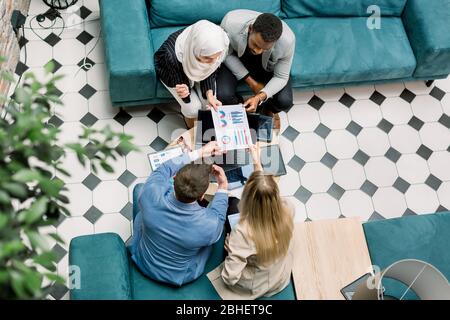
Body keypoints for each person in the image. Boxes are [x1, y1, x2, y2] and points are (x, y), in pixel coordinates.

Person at [129, 141, 230, 286]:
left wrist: (199, 152)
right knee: (214, 238)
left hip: (143, 262)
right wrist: (223, 186)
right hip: (179, 276)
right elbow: (219, 217)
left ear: (174, 178)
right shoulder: (209, 225)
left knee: (140, 192)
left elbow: (164, 168)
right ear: (202, 196)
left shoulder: (150, 192)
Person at [207, 145, 295, 299]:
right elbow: (264, 189)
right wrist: (256, 162)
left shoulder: (242, 233)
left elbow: (229, 277)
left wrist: (230, 248)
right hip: (278, 272)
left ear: (247, 199)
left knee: (231, 204)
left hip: (256, 282)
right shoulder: (288, 207)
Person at [217, 10, 296, 130]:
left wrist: (260, 96)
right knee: (222, 95)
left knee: (285, 101)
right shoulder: (230, 23)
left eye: (264, 48)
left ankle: (268, 109)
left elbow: (281, 77)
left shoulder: (288, 41)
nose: (258, 51)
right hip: (237, 58)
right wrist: (252, 84)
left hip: (267, 68)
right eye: (256, 44)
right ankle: (239, 106)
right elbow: (227, 54)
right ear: (250, 29)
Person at [154, 20, 229, 129]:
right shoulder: (171, 56)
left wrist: (210, 96)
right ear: (195, 50)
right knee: (193, 109)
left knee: (208, 104)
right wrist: (184, 92)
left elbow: (211, 71)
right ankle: (191, 130)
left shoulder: (220, 44)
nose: (212, 62)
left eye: (215, 58)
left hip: (198, 71)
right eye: (207, 58)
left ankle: (204, 131)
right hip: (172, 71)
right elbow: (180, 85)